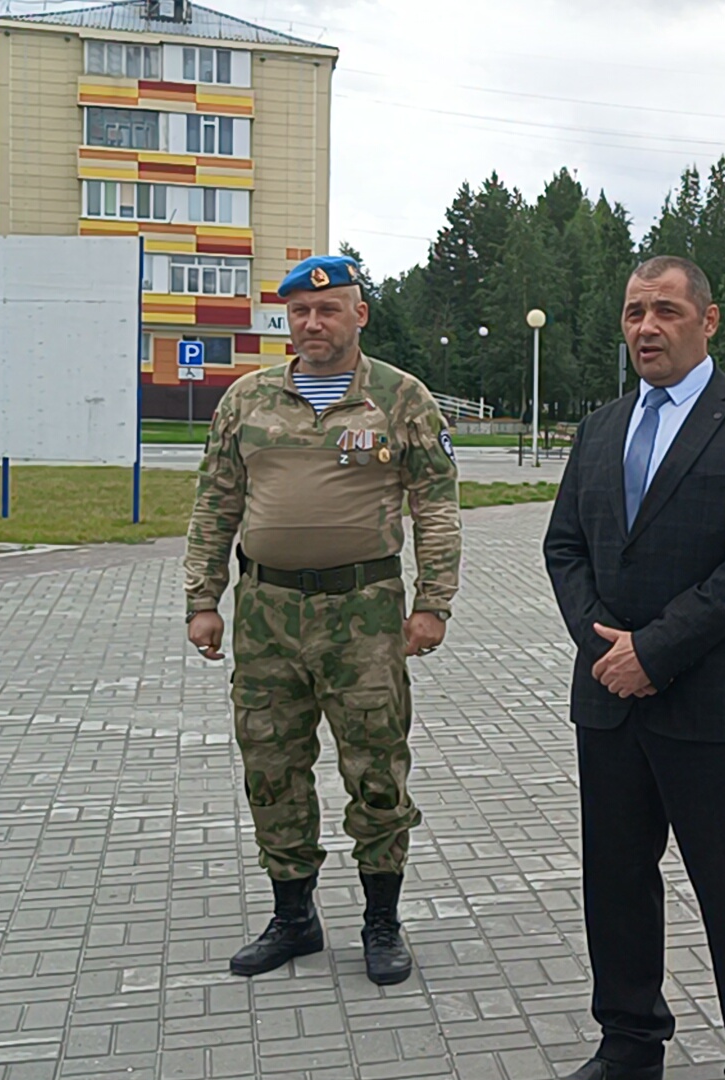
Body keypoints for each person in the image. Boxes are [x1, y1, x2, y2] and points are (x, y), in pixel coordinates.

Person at [543, 255, 725, 1080]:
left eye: (665, 310)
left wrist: (653, 652)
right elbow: (564, 547)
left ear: (708, 320)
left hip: (716, 704)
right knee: (617, 885)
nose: (646, 328)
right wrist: (606, 653)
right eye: (634, 313)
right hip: (610, 702)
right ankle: (629, 1044)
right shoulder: (600, 428)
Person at [183, 254, 461, 986]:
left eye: (328, 309)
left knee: (376, 769)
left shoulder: (401, 399)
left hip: (364, 614)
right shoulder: (247, 400)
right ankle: (293, 917)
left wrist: (432, 603)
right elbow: (216, 502)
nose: (313, 322)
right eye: (301, 312)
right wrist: (203, 600)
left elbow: (435, 505)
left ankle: (381, 921)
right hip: (266, 613)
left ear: (358, 315)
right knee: (271, 766)